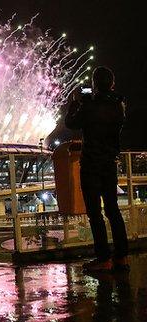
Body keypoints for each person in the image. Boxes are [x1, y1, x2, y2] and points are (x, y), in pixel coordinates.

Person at [65, 66, 129, 271]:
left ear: (94, 84)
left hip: (91, 164)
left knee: (95, 213)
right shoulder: (119, 105)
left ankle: (104, 259)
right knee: (113, 210)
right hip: (110, 164)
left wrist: (74, 104)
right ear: (112, 84)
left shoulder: (89, 106)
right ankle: (122, 258)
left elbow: (71, 123)